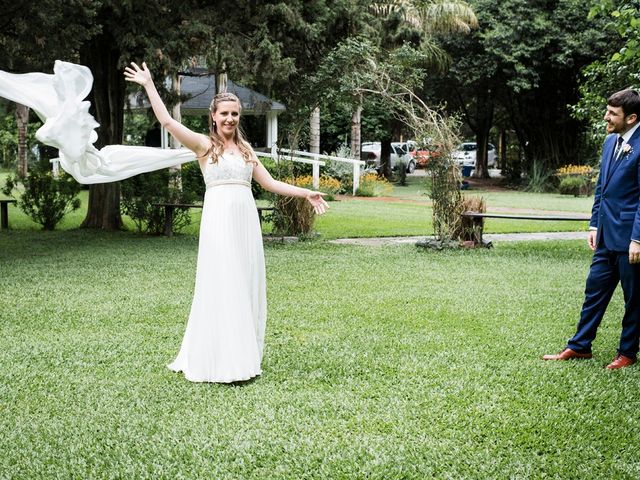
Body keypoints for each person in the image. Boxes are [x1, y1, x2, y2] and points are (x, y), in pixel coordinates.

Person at [124, 61, 328, 383]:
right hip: (219, 222)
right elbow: (165, 120)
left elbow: (270, 184)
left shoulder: (246, 150)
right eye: (225, 114)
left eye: (235, 114)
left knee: (244, 284)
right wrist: (149, 84)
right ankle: (217, 361)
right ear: (214, 117)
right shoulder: (204, 146)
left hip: (245, 223)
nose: (230, 119)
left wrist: (306, 193)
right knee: (223, 283)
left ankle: (241, 358)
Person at [543, 89, 640, 369]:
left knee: (634, 298)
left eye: (613, 113)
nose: (606, 117)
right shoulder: (610, 142)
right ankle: (580, 346)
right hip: (606, 235)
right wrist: (594, 223)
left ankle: (627, 352)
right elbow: (602, 189)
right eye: (607, 110)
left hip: (631, 239)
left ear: (632, 118)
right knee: (594, 290)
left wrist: (637, 238)